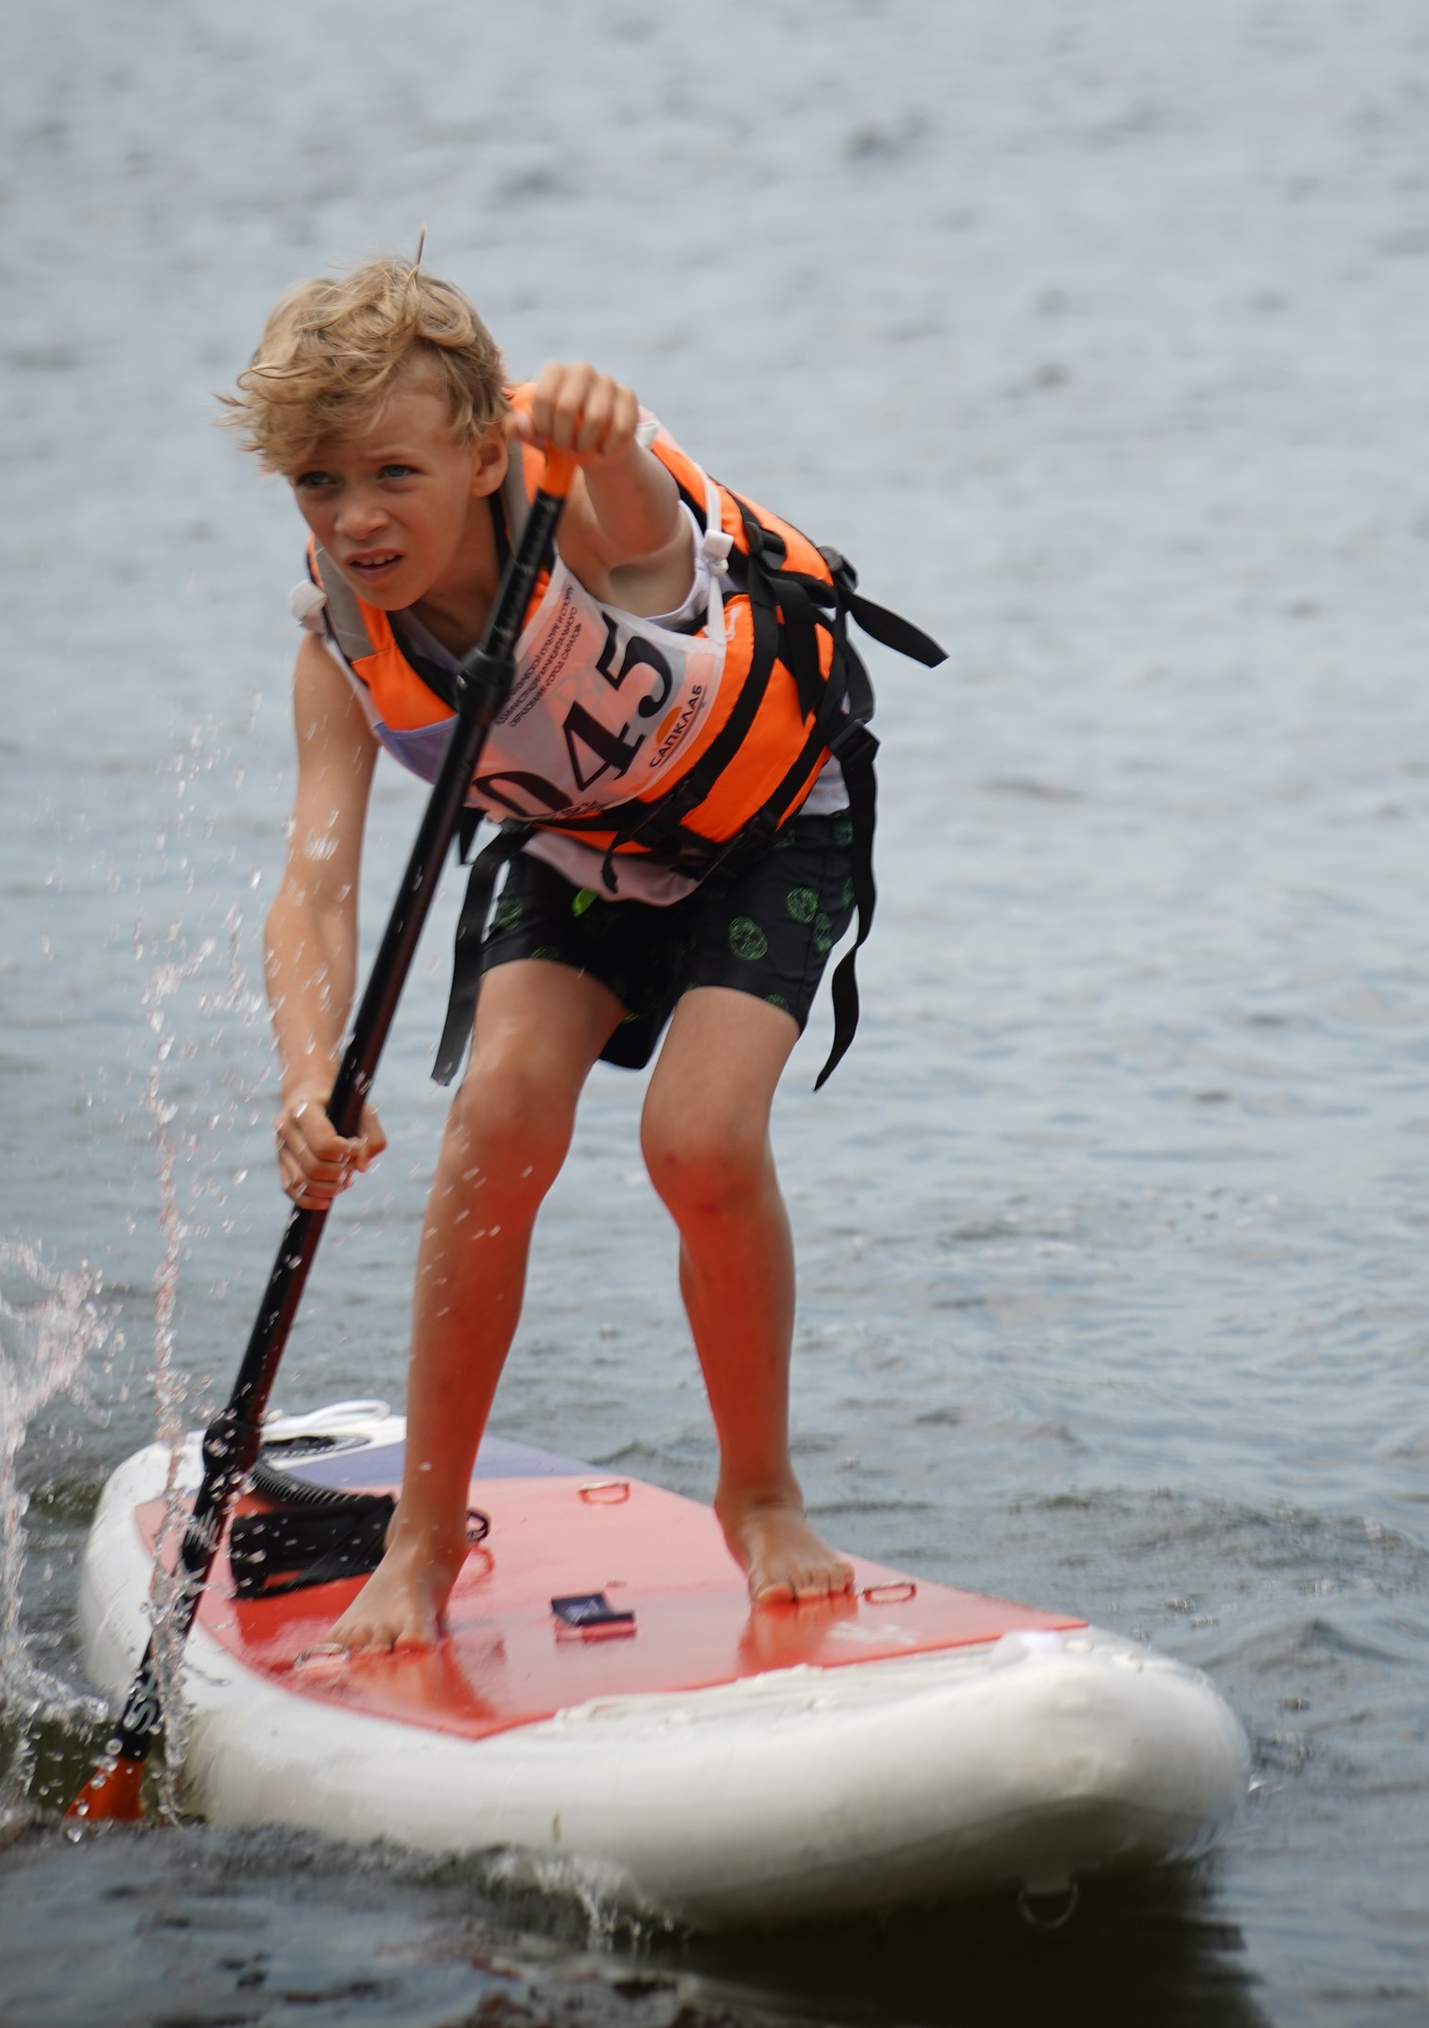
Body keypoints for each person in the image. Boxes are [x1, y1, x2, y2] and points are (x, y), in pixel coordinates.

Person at [228, 256, 934, 1645]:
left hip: (769, 827)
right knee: (496, 1117)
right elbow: (315, 887)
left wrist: (609, 443)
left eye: (394, 474)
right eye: (319, 484)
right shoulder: (341, 639)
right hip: (578, 851)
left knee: (699, 1142)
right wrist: (308, 1077)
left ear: (484, 453)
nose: (356, 519)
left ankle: (761, 1495)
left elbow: (654, 550)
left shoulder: (571, 506)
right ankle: (422, 1543)